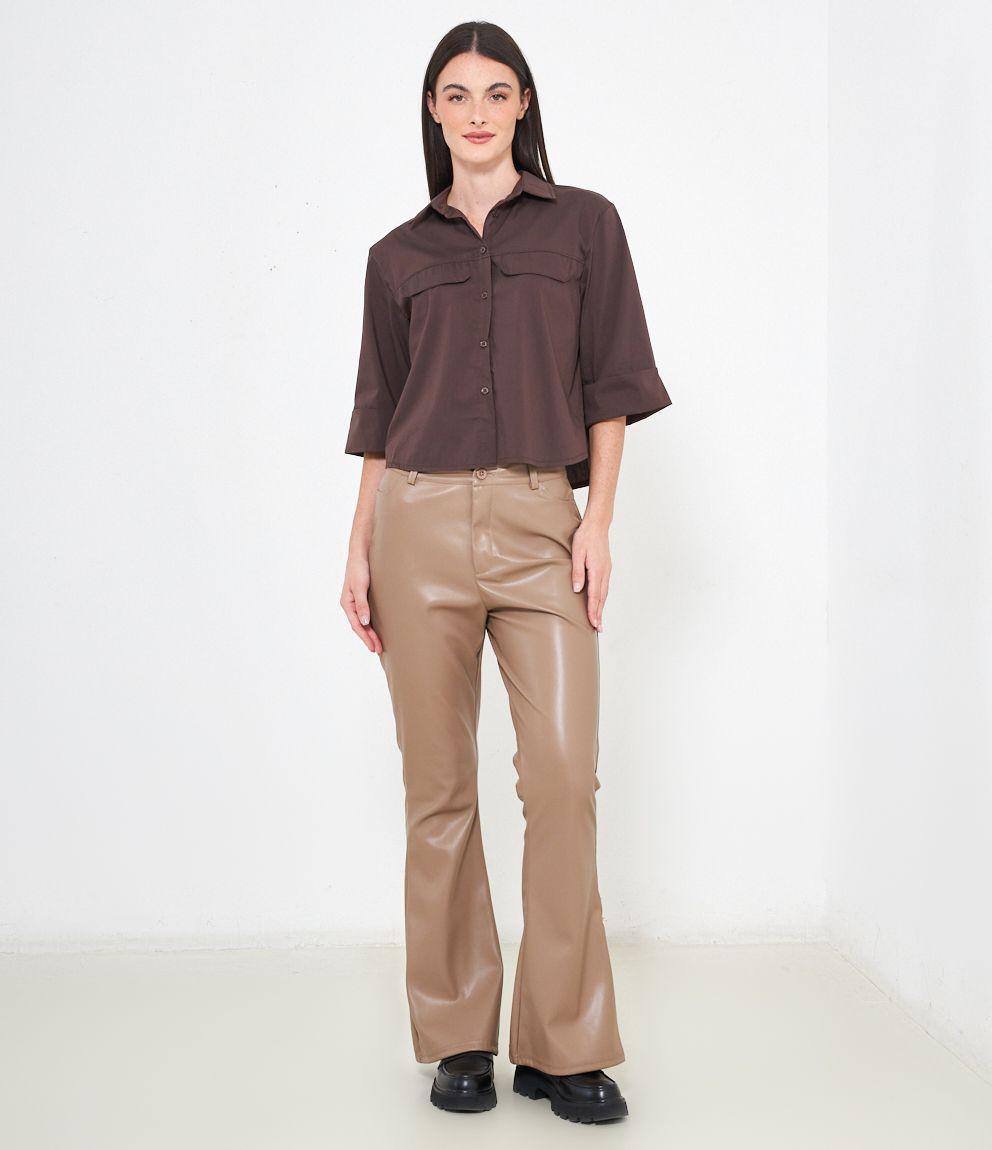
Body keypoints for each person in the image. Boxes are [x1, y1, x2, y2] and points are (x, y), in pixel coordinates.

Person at [340, 20, 672, 1125]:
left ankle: (563, 1043)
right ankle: (456, 1035)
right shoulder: (396, 256)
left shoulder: (585, 224)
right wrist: (357, 546)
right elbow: (380, 417)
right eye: (455, 93)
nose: (475, 111)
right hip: (417, 527)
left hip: (541, 522)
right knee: (438, 790)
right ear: (433, 112)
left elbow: (610, 384)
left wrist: (597, 521)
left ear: (523, 103)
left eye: (495, 91)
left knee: (563, 781)